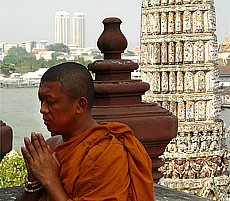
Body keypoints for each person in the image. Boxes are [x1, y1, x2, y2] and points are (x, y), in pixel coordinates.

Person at [16, 62, 154, 201]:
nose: (43, 109)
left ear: (80, 105)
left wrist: (51, 180)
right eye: (42, 101)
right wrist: (34, 181)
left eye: (50, 102)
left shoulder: (108, 152)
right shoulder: (51, 147)